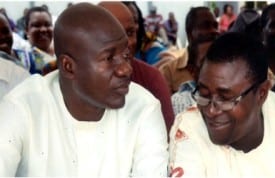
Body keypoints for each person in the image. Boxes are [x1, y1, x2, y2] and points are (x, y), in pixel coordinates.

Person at [0, 3, 168, 177]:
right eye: (109, 58)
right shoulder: (22, 107)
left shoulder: (143, 108)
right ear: (68, 67)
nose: (126, 69)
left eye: (125, 55)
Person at [169, 32, 275, 177]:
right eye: (204, 94)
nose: (211, 111)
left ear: (261, 94)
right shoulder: (190, 127)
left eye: (225, 98)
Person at [100, 2, 174, 133]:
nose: (126, 42)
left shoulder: (151, 79)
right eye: (114, 34)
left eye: (130, 32)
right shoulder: (61, 80)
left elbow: (167, 139)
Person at [159, 6, 219, 93]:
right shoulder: (169, 71)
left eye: (215, 26)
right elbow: (167, 105)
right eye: (206, 26)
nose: (214, 31)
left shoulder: (227, 68)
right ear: (190, 32)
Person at [25, 6, 55, 74]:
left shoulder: (62, 49)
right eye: (36, 25)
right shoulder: (27, 57)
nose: (43, 29)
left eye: (47, 25)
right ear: (27, 30)